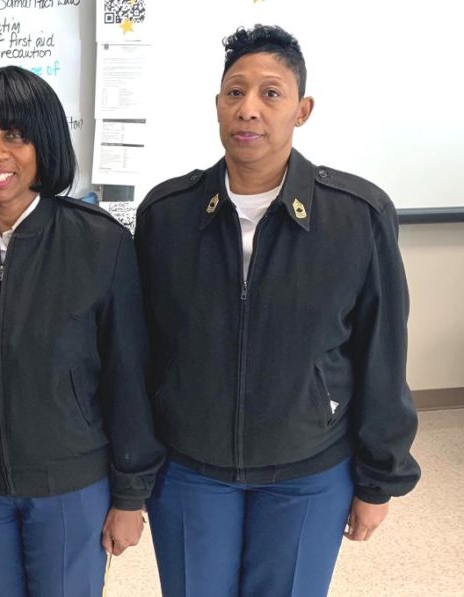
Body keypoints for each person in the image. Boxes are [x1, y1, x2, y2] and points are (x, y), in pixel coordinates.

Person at [134, 25, 421, 597]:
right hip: (191, 471)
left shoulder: (356, 216)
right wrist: (132, 472)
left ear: (302, 109)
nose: (249, 109)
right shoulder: (167, 214)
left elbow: (382, 351)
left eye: (271, 93)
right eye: (235, 92)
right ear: (217, 104)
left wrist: (378, 480)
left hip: (310, 471)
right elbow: (142, 351)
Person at [0, 65, 164, 596]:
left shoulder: (101, 243)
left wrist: (130, 497)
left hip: (72, 487)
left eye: (15, 135)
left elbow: (128, 375)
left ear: (43, 144)